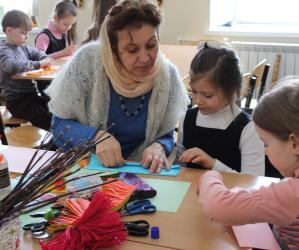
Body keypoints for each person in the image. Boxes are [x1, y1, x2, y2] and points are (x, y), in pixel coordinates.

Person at [47, 0, 190, 173]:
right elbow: (59, 124)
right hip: (85, 170)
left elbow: (165, 133)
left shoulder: (167, 76)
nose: (145, 58)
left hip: (140, 174)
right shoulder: (88, 62)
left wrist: (159, 146)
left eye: (151, 45)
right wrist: (95, 137)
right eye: (132, 50)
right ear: (113, 51)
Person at [198, 78, 299, 250]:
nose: (264, 151)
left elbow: (219, 206)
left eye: (266, 143)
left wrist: (209, 176)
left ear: (294, 143)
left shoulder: (293, 194)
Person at [176, 42, 265, 175]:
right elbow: (180, 165)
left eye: (208, 95)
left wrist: (213, 164)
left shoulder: (248, 129)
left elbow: (254, 183)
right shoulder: (187, 119)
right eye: (193, 92)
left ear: (231, 90)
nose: (198, 101)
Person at [0, 10, 53, 131]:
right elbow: (10, 66)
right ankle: (53, 143)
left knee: (52, 107)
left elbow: (37, 53)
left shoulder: (22, 47)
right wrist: (38, 64)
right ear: (9, 31)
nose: (27, 37)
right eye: (24, 33)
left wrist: (45, 58)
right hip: (17, 101)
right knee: (46, 118)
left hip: (30, 96)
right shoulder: (4, 50)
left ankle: (55, 137)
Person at [35, 0, 78, 97]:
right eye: (66, 24)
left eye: (71, 24)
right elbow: (39, 59)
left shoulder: (62, 33)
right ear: (55, 18)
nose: (68, 27)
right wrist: (63, 53)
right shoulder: (44, 36)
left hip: (56, 78)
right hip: (46, 83)